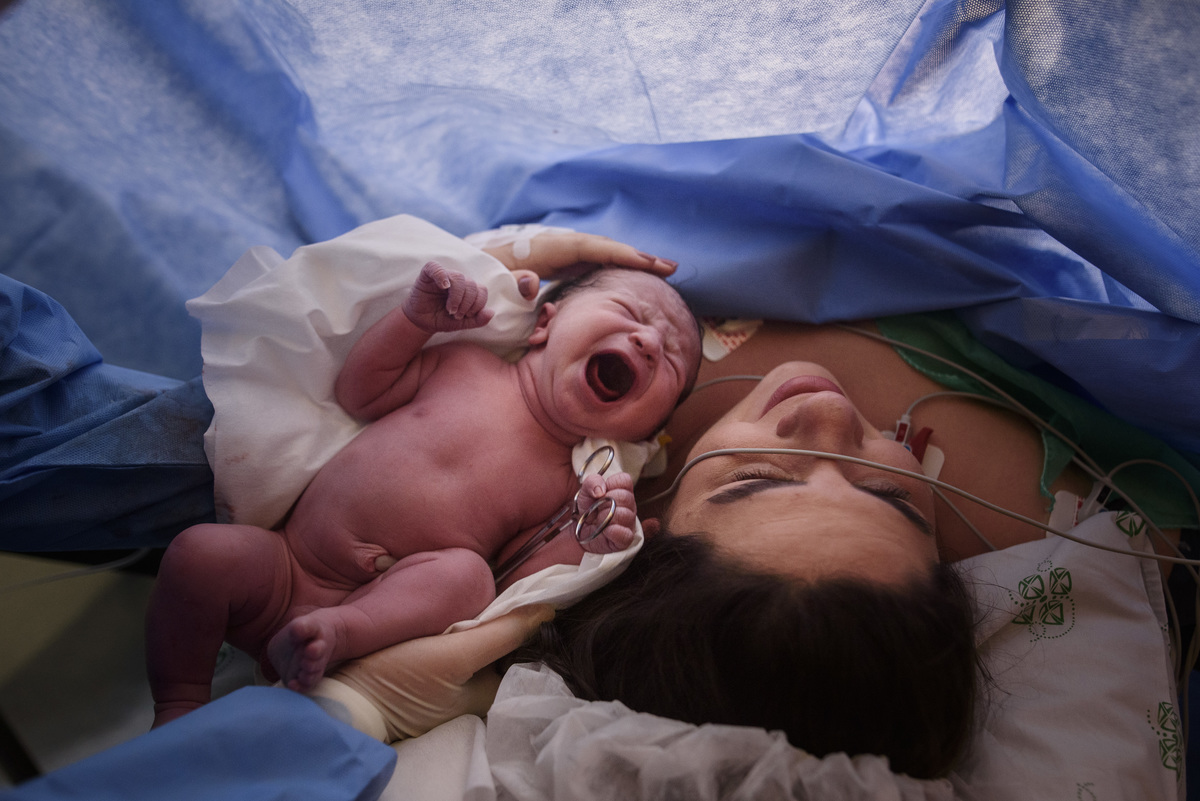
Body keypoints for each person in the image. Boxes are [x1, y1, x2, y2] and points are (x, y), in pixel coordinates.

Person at [319, 231, 1197, 780]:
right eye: (892, 497)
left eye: (753, 480)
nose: (828, 418)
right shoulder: (1071, 524)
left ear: (655, 528)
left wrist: (501, 260)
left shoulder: (582, 491)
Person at [144, 256, 703, 729]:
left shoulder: (570, 486)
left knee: (468, 577)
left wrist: (589, 539)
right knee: (201, 553)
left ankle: (334, 633)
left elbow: (514, 581)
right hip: (288, 563)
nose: (649, 341)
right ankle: (178, 702)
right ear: (544, 325)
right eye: (629, 313)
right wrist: (412, 321)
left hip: (379, 611)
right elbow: (361, 392)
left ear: (645, 433)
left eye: (672, 361)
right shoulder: (465, 364)